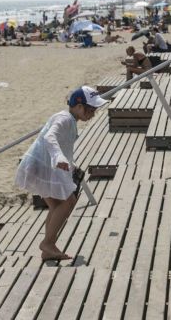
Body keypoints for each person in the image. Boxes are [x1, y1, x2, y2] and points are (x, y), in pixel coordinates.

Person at [15, 86, 107, 260]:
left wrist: (69, 165)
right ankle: (47, 243)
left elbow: (62, 145)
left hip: (41, 165)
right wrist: (58, 157)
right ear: (79, 107)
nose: (93, 113)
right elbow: (50, 137)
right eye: (91, 109)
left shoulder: (69, 120)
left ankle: (47, 249)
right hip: (43, 165)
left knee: (57, 205)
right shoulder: (64, 119)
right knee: (68, 202)